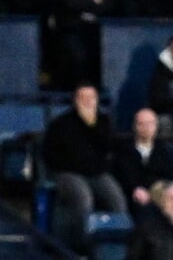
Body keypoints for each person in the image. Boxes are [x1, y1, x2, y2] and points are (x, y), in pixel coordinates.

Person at [43, 85, 129, 251]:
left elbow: (109, 146)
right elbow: (50, 155)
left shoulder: (103, 121)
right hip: (67, 173)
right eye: (83, 98)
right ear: (75, 101)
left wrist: (91, 126)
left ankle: (116, 248)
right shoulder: (61, 124)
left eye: (92, 98)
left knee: (118, 200)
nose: (88, 102)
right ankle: (80, 247)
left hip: (96, 173)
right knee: (84, 199)